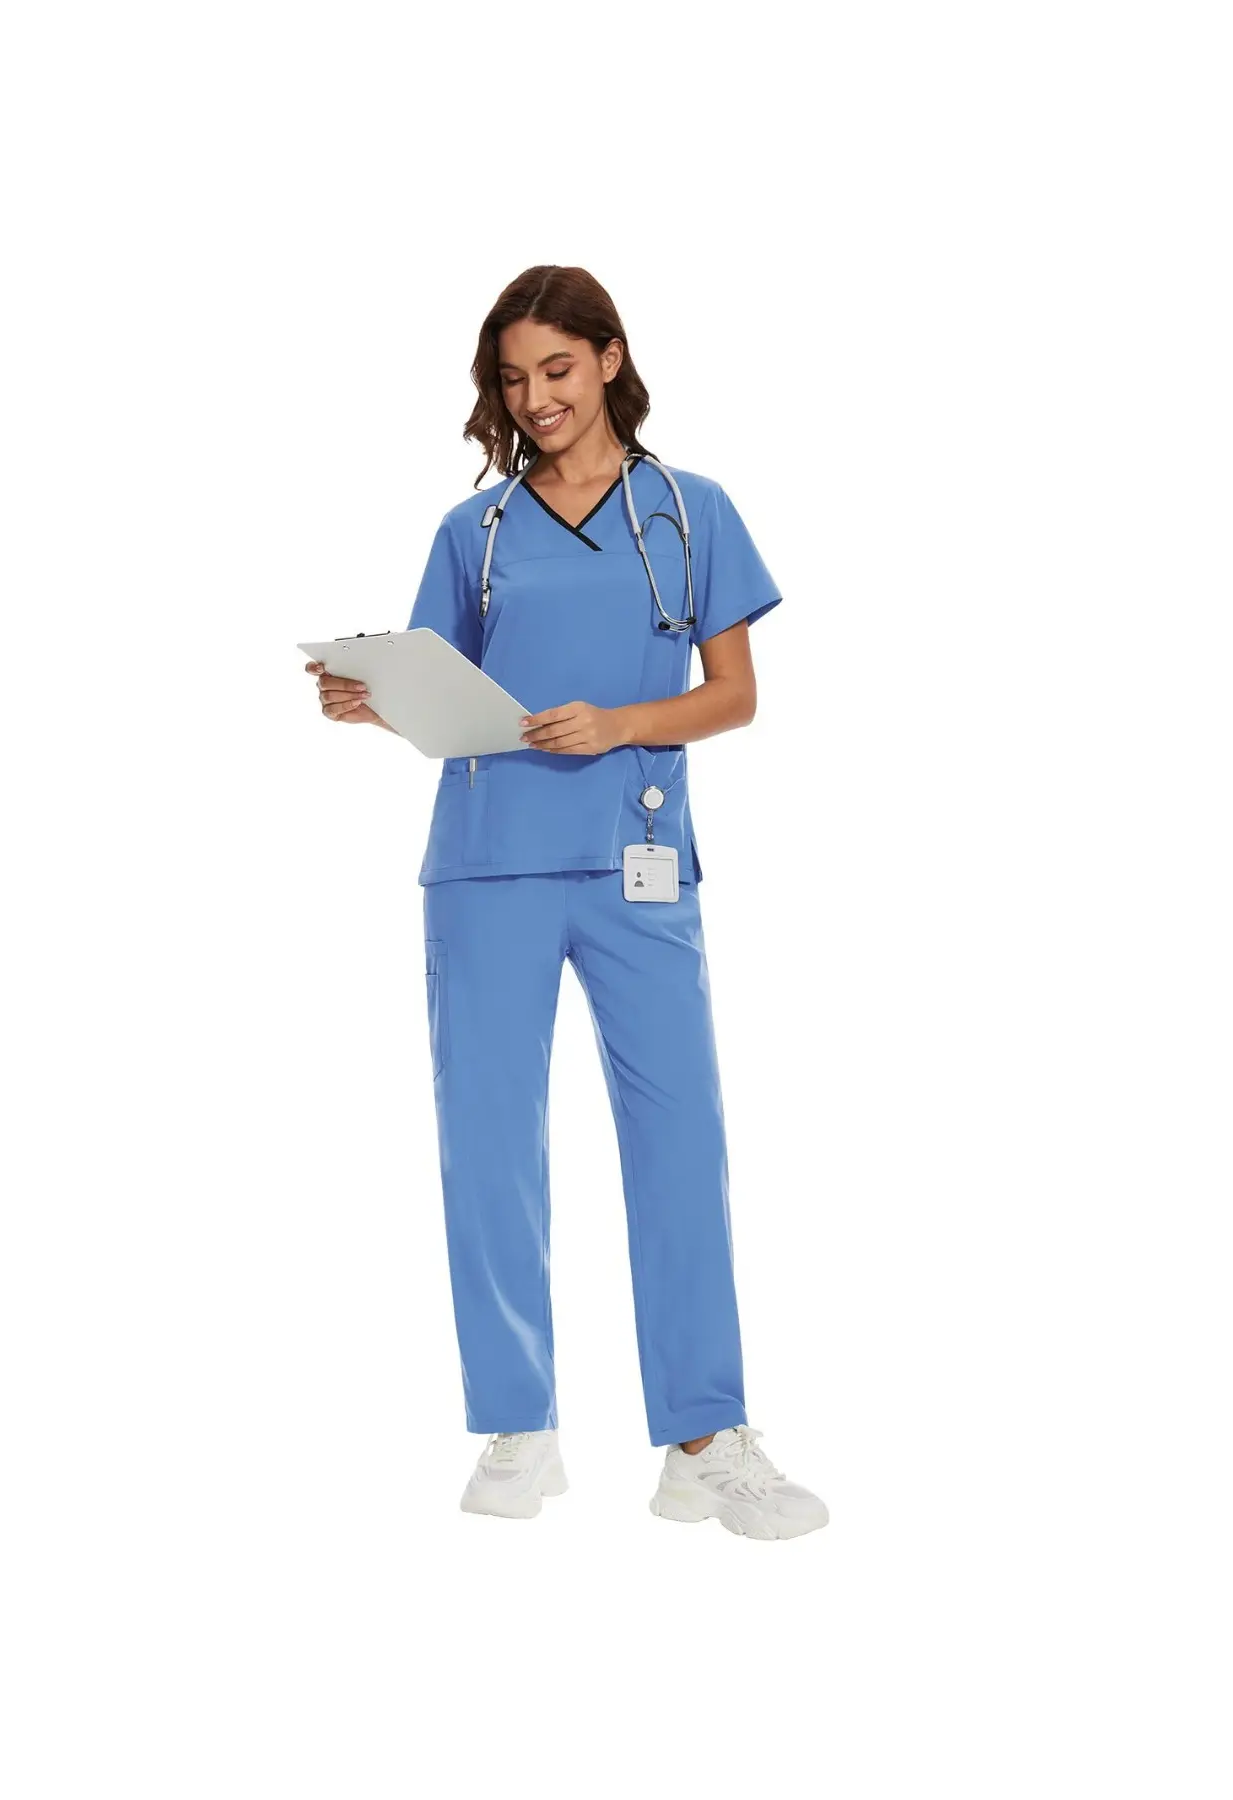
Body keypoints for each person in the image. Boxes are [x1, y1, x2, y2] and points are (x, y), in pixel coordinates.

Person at [305, 266, 828, 1542]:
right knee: (488, 1143)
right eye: (512, 378)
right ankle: (518, 1424)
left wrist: (620, 724)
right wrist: (371, 703)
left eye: (555, 368)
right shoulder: (473, 532)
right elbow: (440, 693)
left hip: (636, 860)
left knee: (680, 1142)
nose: (534, 397)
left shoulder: (690, 513)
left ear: (608, 359)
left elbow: (734, 695)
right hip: (486, 864)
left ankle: (704, 1441)